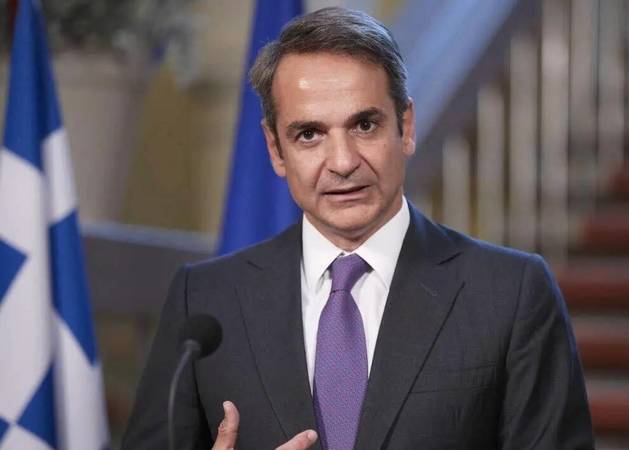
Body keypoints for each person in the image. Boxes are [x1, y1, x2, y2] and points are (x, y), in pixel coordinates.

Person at [122, 7, 594, 450]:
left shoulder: (511, 293)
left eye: (364, 125)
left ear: (405, 127)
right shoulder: (205, 301)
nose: (343, 162)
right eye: (309, 134)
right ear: (275, 149)